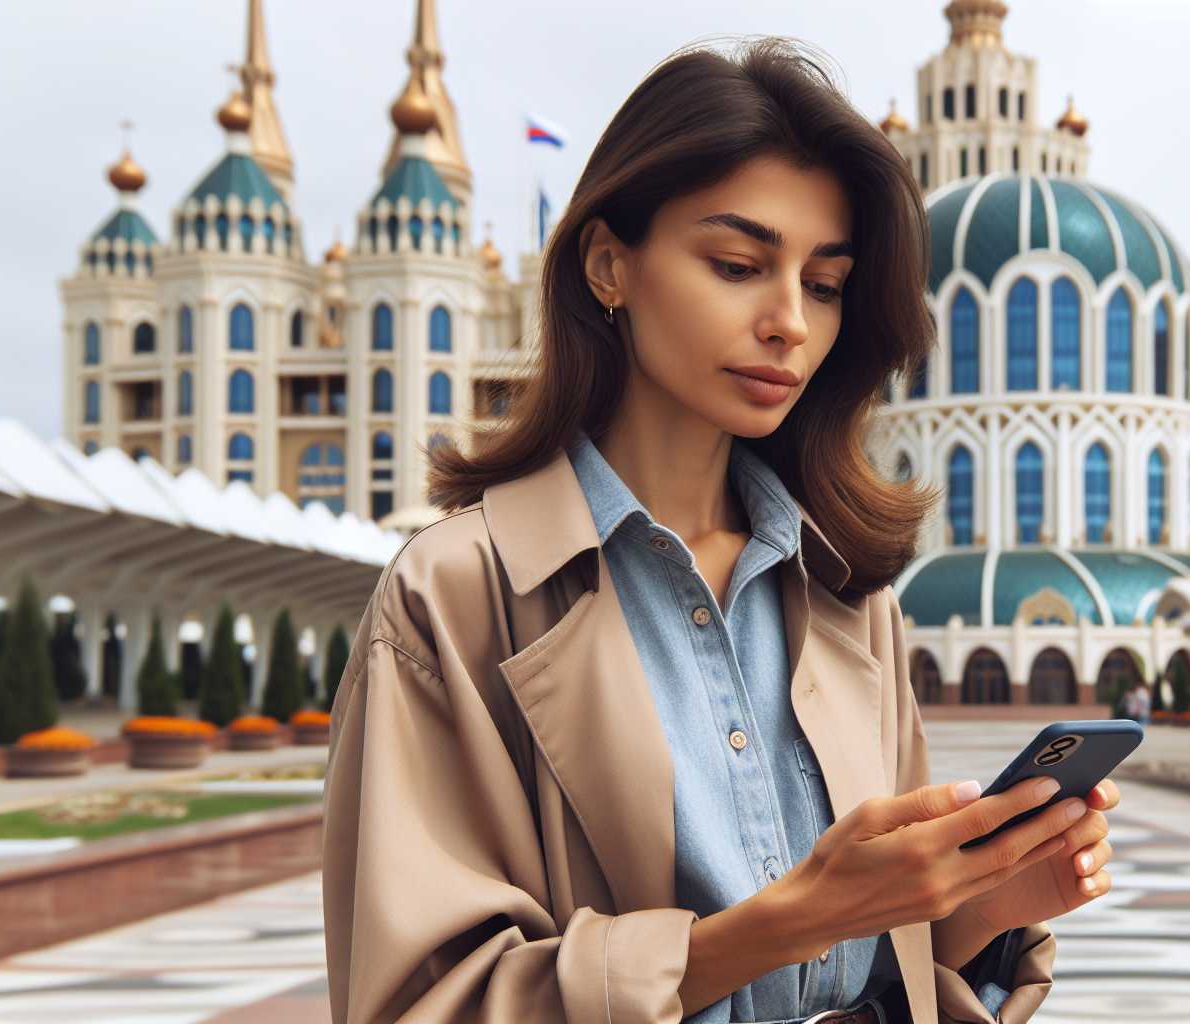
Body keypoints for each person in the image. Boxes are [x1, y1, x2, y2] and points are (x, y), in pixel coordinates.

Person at [320, 37, 1123, 1024]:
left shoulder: (844, 592)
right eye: (739, 264)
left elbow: (883, 961)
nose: (789, 320)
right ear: (608, 264)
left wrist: (991, 897)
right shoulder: (457, 594)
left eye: (824, 284)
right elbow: (420, 1000)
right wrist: (784, 921)